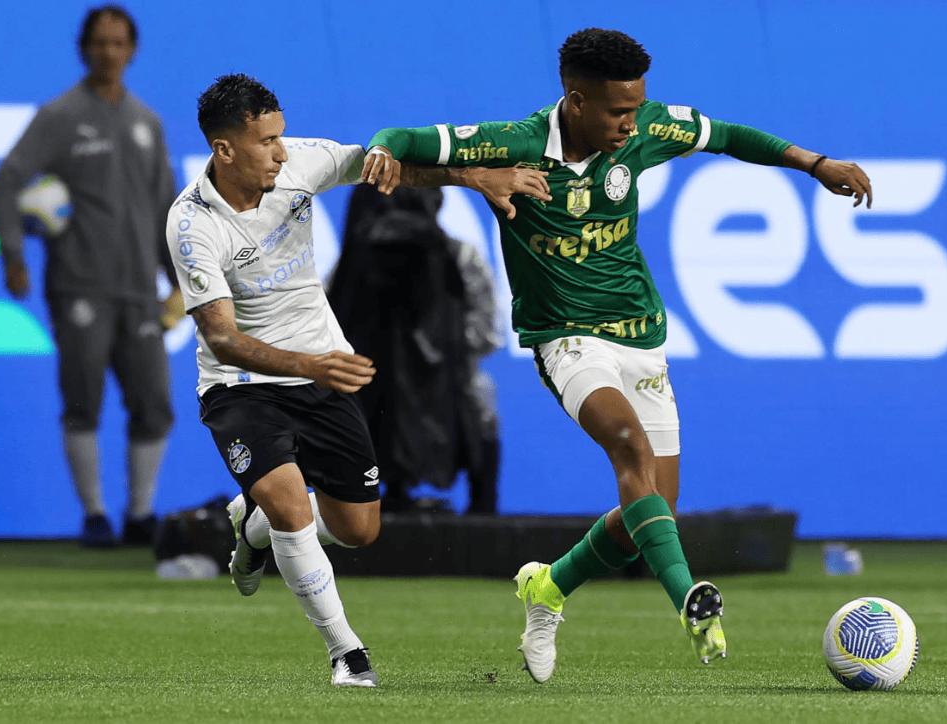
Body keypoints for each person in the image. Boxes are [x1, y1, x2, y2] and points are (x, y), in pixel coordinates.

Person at [365, 27, 873, 682]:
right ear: (575, 101)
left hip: (641, 336)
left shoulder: (648, 129)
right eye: (617, 111)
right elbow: (404, 142)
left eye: (637, 108)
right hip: (567, 338)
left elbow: (727, 136)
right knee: (627, 446)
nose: (631, 123)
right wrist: (390, 154)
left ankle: (546, 590)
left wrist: (815, 162)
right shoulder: (515, 144)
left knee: (645, 516)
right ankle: (691, 600)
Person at [167, 73, 531, 687]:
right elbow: (222, 338)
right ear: (223, 149)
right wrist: (308, 365)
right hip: (240, 384)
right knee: (290, 506)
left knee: (358, 529)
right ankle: (347, 654)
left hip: (321, 371)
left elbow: (390, 170)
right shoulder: (191, 224)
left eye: (281, 136)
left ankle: (249, 523)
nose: (282, 152)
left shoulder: (301, 163)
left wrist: (474, 177)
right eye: (266, 142)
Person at [0, 5, 182, 548]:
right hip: (79, 284)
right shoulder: (60, 116)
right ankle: (95, 514)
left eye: (118, 43)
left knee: (154, 402)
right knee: (83, 399)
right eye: (99, 43)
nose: (108, 53)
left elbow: (165, 205)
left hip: (139, 288)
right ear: (83, 49)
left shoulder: (146, 121)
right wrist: (13, 254)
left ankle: (141, 513)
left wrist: (180, 279)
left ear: (133, 51)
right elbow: (4, 185)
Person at [327, 185, 503, 514]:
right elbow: (487, 333)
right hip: (367, 391)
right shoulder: (353, 266)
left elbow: (483, 328)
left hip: (447, 387)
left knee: (480, 399)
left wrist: (444, 356)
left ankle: (483, 520)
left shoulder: (456, 258)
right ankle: (482, 511)